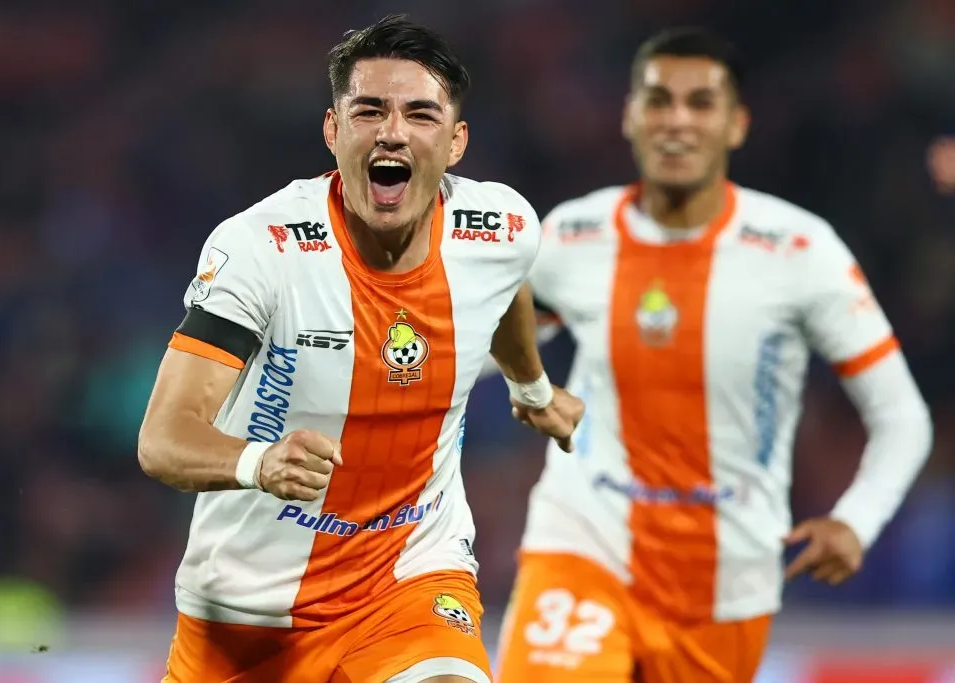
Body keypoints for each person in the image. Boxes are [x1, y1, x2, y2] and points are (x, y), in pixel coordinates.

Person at [136, 15, 582, 683]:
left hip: (408, 581)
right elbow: (164, 439)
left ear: (456, 141)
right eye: (369, 110)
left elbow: (507, 285)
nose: (393, 132)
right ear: (333, 130)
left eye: (421, 115)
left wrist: (532, 388)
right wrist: (259, 461)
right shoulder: (264, 248)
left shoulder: (500, 226)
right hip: (247, 612)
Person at [491, 27, 933, 683]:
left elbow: (900, 415)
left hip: (727, 581)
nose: (677, 120)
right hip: (583, 544)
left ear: (737, 124)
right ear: (630, 116)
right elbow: (474, 350)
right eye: (658, 100)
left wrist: (855, 521)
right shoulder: (572, 234)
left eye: (700, 103)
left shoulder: (801, 251)